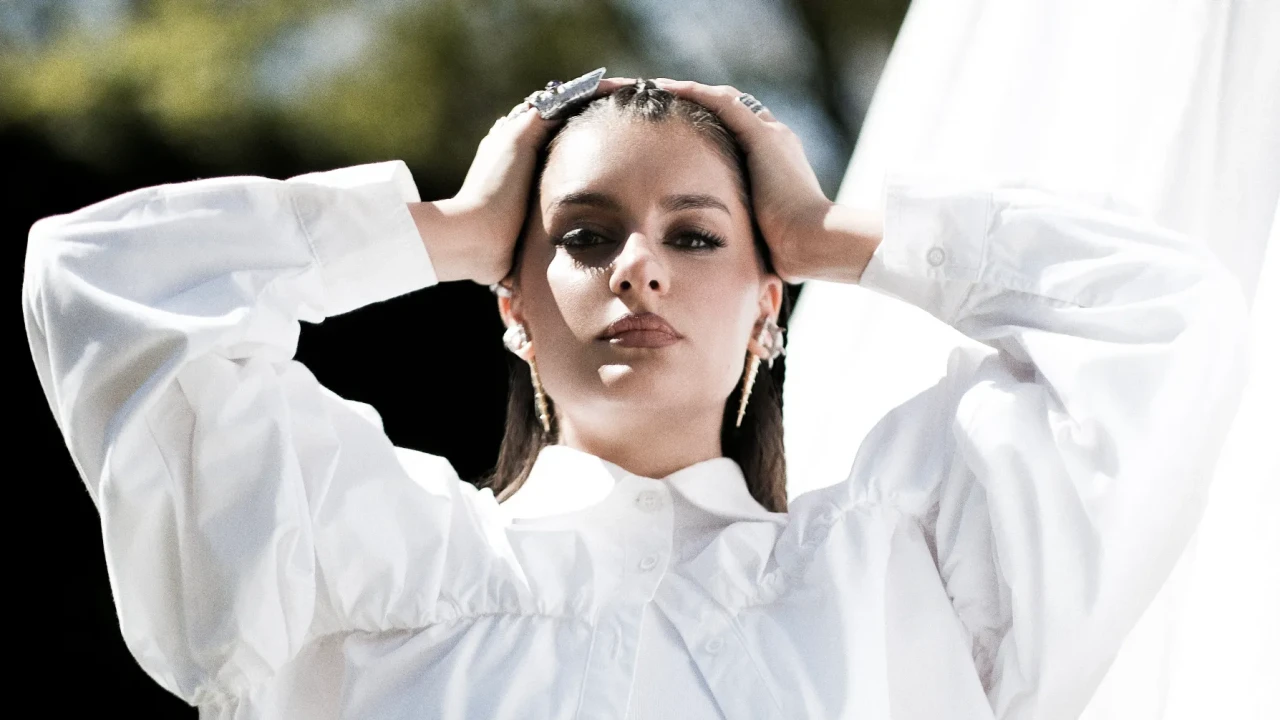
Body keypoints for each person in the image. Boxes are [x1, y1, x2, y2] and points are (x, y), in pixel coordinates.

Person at [21, 71, 1250, 720]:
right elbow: (103, 285)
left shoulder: (902, 573)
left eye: (696, 236)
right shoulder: (363, 564)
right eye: (583, 234)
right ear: (511, 305)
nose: (637, 268)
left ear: (767, 311)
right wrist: (447, 230)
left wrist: (825, 233)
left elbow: (1159, 315)